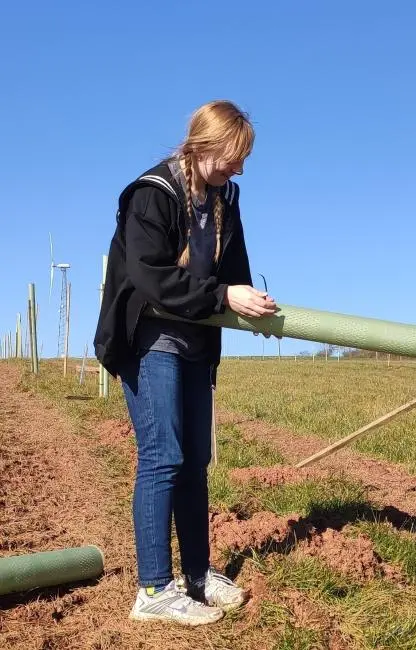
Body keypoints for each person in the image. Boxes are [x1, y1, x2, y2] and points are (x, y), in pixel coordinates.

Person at [94, 100, 277, 626]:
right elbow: (150, 276)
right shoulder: (152, 194)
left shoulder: (225, 200)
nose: (238, 169)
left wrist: (249, 298)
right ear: (204, 146)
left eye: (243, 160)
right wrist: (222, 296)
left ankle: (197, 574)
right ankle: (153, 589)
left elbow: (234, 271)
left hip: (197, 342)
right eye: (233, 157)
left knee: (195, 460)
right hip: (150, 339)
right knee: (163, 456)